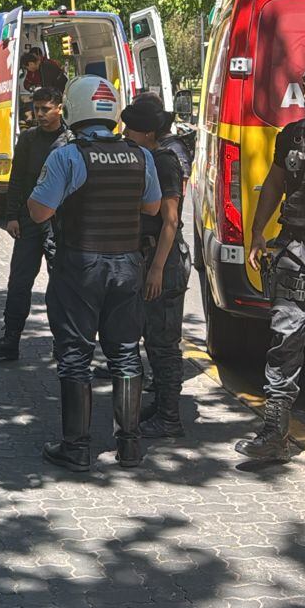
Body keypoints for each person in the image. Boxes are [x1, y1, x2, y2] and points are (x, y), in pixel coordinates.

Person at [28, 76, 161, 471]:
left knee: (75, 357)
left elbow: (39, 212)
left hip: (80, 267)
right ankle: (130, 446)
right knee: (125, 354)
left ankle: (78, 448)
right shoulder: (140, 155)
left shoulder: (68, 155)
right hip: (127, 267)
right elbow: (152, 209)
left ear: (74, 110)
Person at [236, 60, 305, 465]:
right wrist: (257, 233)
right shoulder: (291, 136)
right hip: (295, 248)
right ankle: (275, 433)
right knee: (285, 338)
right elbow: (273, 183)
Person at [120, 93, 191, 440]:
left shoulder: (163, 161)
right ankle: (161, 405)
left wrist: (157, 269)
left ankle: (169, 417)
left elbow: (170, 221)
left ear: (148, 132)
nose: (125, 132)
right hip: (149, 258)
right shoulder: (144, 157)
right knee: (153, 340)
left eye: (131, 128)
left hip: (163, 261)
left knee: (164, 344)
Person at [0, 86, 68, 359]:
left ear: (60, 108)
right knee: (19, 282)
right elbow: (16, 180)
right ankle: (11, 338)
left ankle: (63, 342)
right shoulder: (29, 139)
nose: (39, 114)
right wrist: (11, 217)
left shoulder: (70, 141)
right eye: (36, 109)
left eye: (45, 109)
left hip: (58, 225)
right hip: (29, 222)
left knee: (61, 286)